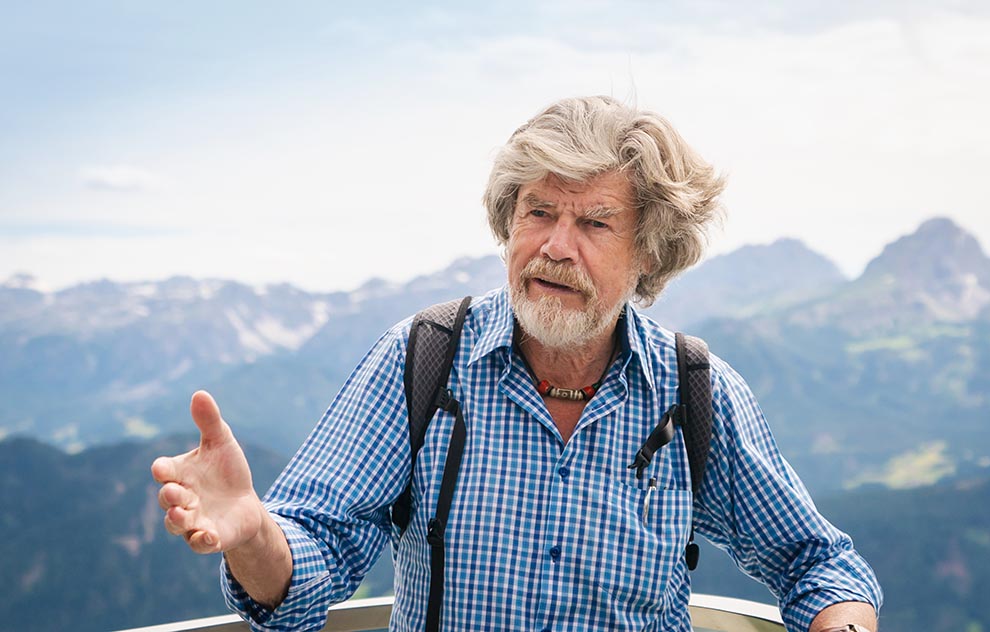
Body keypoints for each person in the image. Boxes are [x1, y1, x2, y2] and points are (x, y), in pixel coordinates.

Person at [152, 96, 882, 632]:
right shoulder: (424, 360)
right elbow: (312, 564)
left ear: (649, 254)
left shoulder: (696, 393)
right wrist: (253, 534)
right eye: (538, 213)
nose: (556, 246)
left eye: (594, 222)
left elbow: (819, 564)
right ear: (509, 224)